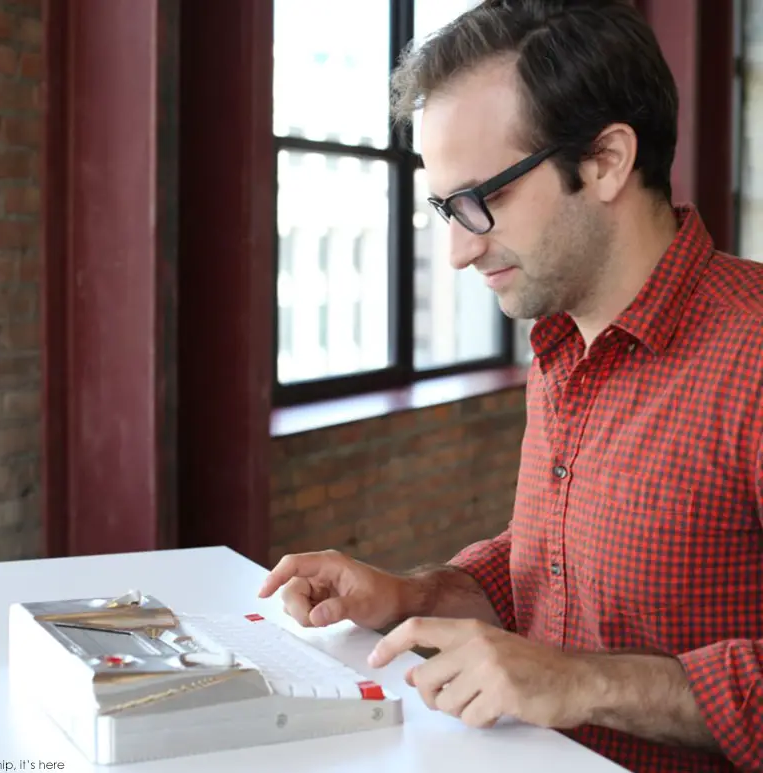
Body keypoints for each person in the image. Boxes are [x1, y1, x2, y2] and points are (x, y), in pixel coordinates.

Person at [258, 1, 763, 771]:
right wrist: (412, 594)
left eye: (479, 199)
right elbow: (555, 568)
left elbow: (569, 667)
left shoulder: (752, 355)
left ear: (605, 161)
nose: (459, 250)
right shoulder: (561, 343)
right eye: (443, 207)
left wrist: (585, 682)